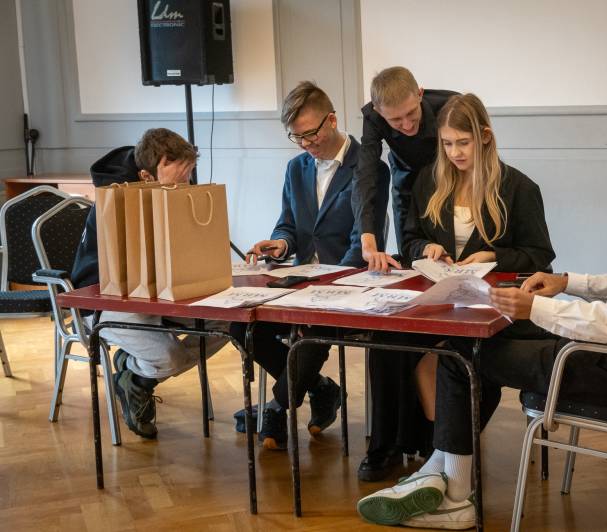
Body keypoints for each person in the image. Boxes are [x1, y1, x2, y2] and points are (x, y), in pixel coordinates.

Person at [356, 89, 607, 530]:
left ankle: (452, 496)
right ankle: (439, 474)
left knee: (460, 357)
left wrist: (538, 308)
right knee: (479, 341)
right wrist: (569, 283)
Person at [358, 93, 555, 482]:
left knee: (462, 351)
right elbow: (411, 239)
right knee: (386, 342)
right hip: (441, 296)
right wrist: (425, 248)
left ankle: (440, 449)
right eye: (447, 144)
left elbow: (539, 256)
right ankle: (388, 445)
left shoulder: (518, 187)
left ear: (484, 137)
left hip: (491, 303)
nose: (454, 153)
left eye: (463, 143)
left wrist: (492, 256)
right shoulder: (431, 180)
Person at [230, 81, 390, 450]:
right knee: (241, 326)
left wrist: (324, 286)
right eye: (296, 136)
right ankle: (320, 388)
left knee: (311, 330)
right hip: (299, 280)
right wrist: (280, 244)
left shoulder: (369, 170)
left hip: (347, 282)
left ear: (331, 120)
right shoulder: (296, 168)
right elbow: (288, 224)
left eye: (310, 134)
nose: (305, 144)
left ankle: (277, 407)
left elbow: (363, 242)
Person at [71, 128, 229, 439]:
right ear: (146, 176)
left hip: (162, 297)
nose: (185, 186)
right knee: (170, 358)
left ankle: (136, 374)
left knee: (227, 324)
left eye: (189, 177)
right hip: (106, 300)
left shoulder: (170, 191)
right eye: (178, 180)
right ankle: (139, 374)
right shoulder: (115, 202)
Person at [353, 66, 458, 271]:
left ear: (420, 94)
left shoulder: (451, 104)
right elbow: (365, 174)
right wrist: (367, 241)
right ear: (378, 111)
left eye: (411, 113)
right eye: (395, 120)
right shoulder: (373, 117)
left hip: (452, 178)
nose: (408, 125)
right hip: (406, 181)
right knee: (411, 253)